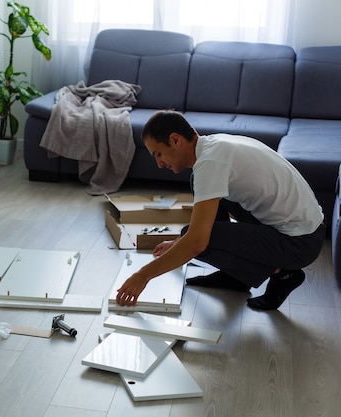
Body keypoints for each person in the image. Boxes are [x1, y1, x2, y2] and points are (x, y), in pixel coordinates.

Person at [115, 110, 325, 310]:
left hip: (299, 242)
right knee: (196, 189)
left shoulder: (210, 162)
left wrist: (142, 276)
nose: (159, 164)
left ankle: (283, 275)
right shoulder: (214, 145)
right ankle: (236, 276)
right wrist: (177, 243)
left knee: (197, 238)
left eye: (158, 154)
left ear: (175, 140)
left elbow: (197, 243)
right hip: (301, 228)